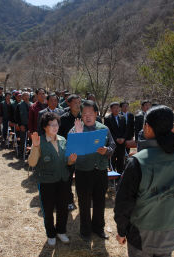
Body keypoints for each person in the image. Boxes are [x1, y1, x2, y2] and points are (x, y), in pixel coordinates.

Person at [114, 105, 174, 257]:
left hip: (142, 234)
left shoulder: (138, 162)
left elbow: (123, 203)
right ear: (173, 128)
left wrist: (121, 231)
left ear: (148, 128)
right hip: (170, 231)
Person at [28, 112, 77, 246]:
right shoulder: (40, 141)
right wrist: (35, 147)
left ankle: (61, 231)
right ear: (45, 127)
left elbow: (67, 161)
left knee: (63, 208)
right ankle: (51, 234)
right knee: (48, 210)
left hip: (63, 180)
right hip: (46, 182)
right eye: (51, 125)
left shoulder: (62, 140)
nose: (55, 127)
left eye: (56, 124)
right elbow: (32, 163)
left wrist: (71, 161)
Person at [70, 100, 116, 241]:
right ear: (81, 115)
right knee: (84, 202)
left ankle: (98, 227)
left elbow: (113, 145)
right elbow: (70, 150)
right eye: (84, 114)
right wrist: (78, 135)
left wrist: (106, 150)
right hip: (83, 171)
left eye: (91, 113)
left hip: (100, 170)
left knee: (99, 200)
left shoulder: (103, 128)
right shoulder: (76, 128)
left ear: (96, 114)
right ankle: (85, 230)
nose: (88, 116)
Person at [59, 94, 81, 210]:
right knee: (67, 179)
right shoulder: (63, 119)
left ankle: (83, 200)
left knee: (82, 178)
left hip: (82, 154)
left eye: (79, 102)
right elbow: (60, 138)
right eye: (75, 103)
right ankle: (69, 200)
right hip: (69, 153)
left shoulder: (84, 118)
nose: (78, 105)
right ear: (69, 103)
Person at [105, 102, 127, 173]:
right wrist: (116, 139)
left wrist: (123, 138)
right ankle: (112, 179)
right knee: (112, 160)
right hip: (113, 143)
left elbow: (125, 129)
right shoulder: (108, 118)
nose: (116, 109)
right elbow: (108, 131)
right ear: (111, 109)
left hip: (122, 143)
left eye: (118, 108)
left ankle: (120, 177)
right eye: (114, 108)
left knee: (121, 160)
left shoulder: (122, 118)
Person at [16, 92, 31, 158]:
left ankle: (30, 153)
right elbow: (17, 117)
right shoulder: (19, 105)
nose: (26, 97)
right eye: (24, 96)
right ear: (22, 97)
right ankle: (21, 153)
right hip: (23, 125)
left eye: (27, 95)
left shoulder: (32, 105)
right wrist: (20, 125)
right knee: (23, 140)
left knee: (31, 140)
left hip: (31, 125)